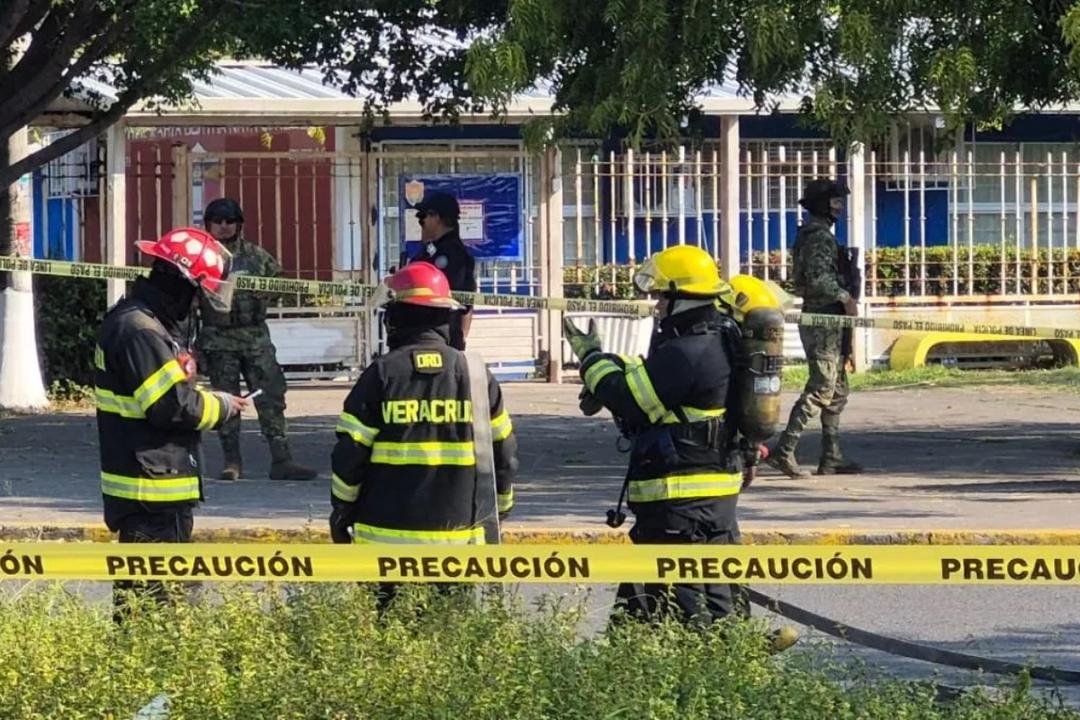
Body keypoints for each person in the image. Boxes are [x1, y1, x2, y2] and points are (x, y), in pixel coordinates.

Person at [563, 245, 797, 651]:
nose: (656, 306)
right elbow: (659, 390)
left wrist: (591, 358)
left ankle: (712, 666)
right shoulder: (716, 337)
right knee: (706, 582)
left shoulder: (689, 349)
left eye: (660, 297)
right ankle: (722, 654)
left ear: (678, 297)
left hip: (680, 497)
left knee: (681, 595)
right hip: (710, 493)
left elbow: (630, 399)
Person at [329, 261, 517, 608]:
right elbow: (504, 455)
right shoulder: (476, 375)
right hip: (458, 548)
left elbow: (349, 455)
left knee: (392, 645)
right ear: (446, 319)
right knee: (449, 641)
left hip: (384, 548)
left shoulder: (382, 375)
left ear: (395, 319)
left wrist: (341, 510)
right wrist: (500, 512)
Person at [95, 227, 247, 616]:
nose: (198, 305)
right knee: (162, 612)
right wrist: (223, 406)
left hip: (156, 491)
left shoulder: (147, 323)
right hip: (150, 496)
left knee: (149, 608)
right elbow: (170, 407)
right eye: (197, 294)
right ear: (182, 285)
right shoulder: (140, 331)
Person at [196, 197, 316, 481]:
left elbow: (280, 283)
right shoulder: (202, 257)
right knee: (226, 402)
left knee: (271, 397)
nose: (224, 227)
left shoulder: (255, 256)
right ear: (208, 224)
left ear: (239, 224)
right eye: (218, 221)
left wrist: (268, 293)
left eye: (229, 221)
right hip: (218, 340)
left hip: (255, 339)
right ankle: (232, 462)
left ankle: (282, 459)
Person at [765, 179, 863, 478]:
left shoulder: (819, 235)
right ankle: (785, 450)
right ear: (823, 204)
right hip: (824, 319)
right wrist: (845, 297)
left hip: (830, 319)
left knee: (837, 389)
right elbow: (820, 280)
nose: (839, 207)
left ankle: (831, 456)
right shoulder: (818, 237)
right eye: (834, 202)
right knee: (822, 386)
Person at [405, 192, 477, 351]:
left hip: (435, 337)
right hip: (436, 338)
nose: (421, 224)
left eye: (422, 219)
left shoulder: (449, 254)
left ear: (436, 217)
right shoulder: (436, 250)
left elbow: (464, 303)